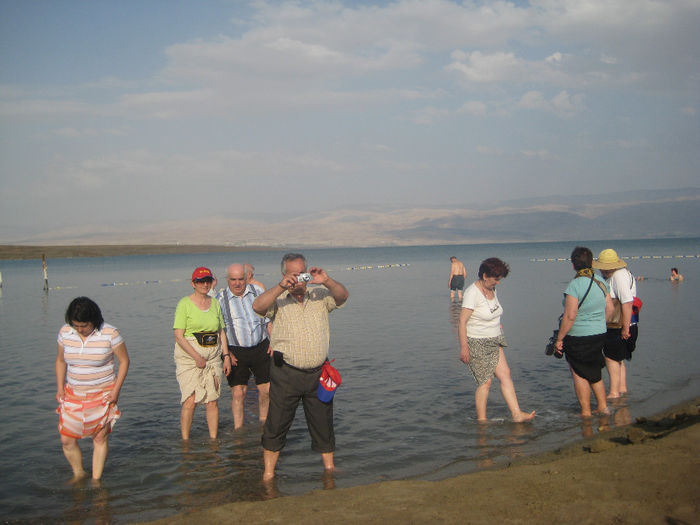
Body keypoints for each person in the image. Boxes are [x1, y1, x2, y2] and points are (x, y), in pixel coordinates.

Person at [252, 253, 349, 480]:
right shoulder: (278, 297)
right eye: (293, 274)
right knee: (276, 423)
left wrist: (327, 280)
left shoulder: (320, 295)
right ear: (285, 275)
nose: (298, 279)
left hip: (318, 373)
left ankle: (329, 470)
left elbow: (343, 297)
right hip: (286, 373)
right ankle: (268, 475)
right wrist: (280, 287)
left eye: (302, 273)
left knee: (323, 422)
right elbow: (257, 306)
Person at [55, 297, 130, 481]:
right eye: (76, 325)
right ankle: (79, 473)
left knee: (99, 438)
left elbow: (124, 361)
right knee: (67, 439)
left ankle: (96, 480)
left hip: (103, 395)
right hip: (73, 394)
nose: (80, 329)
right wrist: (60, 388)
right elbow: (60, 361)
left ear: (94, 320)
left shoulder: (110, 333)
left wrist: (116, 391)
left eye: (84, 326)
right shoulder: (65, 332)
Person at [457, 258, 535, 422]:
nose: (498, 283)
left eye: (500, 279)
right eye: (496, 279)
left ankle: (517, 414)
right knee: (485, 382)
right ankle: (482, 421)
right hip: (476, 342)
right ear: (485, 276)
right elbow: (462, 321)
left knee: (505, 374)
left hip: (494, 339)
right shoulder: (472, 293)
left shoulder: (491, 289)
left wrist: (498, 325)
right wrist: (464, 347)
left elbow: (493, 311)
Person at [554, 247, 613, 417]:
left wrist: (559, 339)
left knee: (579, 373)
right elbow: (609, 308)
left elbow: (570, 315)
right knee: (595, 370)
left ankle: (586, 412)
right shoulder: (600, 281)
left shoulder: (574, 285)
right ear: (592, 262)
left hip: (578, 335)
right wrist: (599, 323)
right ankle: (603, 406)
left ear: (573, 265)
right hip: (599, 332)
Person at [173, 267, 230, 440]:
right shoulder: (185, 303)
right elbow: (178, 335)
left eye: (207, 281)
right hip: (190, 358)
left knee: (212, 401)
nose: (204, 284)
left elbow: (221, 331)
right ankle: (185, 440)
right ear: (193, 284)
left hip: (213, 357)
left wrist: (226, 356)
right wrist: (196, 357)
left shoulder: (215, 303)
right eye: (200, 281)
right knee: (190, 399)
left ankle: (213, 440)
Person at [217, 263, 271, 429]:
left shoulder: (258, 292)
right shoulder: (219, 300)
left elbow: (268, 320)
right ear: (227, 280)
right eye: (233, 279)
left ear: (246, 278)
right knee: (239, 392)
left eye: (241, 279)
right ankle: (238, 430)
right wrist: (226, 354)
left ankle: (264, 423)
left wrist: (274, 341)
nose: (237, 283)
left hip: (261, 346)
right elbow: (219, 330)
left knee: (266, 390)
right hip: (235, 350)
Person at [592, 249, 639, 399]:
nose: (602, 270)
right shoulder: (621, 274)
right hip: (626, 323)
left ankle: (613, 392)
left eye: (604, 268)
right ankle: (622, 388)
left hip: (619, 324)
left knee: (611, 358)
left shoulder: (618, 276)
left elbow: (626, 302)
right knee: (619, 358)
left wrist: (625, 328)